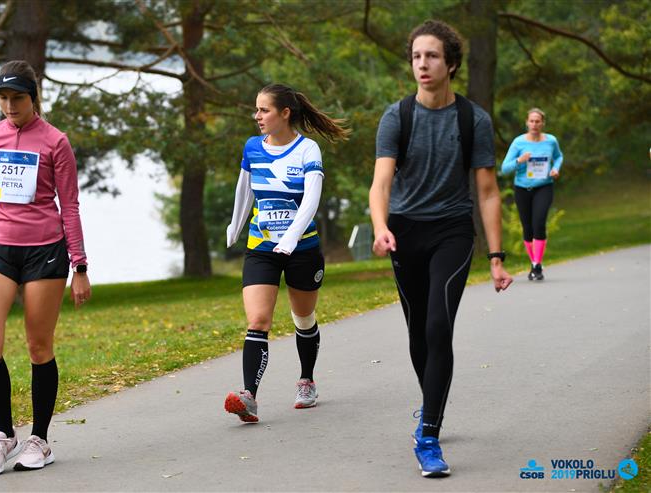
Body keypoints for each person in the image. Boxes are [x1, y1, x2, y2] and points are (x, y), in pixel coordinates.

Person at [369, 20, 512, 477]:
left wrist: (496, 257)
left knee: (437, 326)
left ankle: (428, 434)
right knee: (417, 333)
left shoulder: (474, 120)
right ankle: (432, 403)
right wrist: (380, 227)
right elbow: (381, 183)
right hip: (404, 232)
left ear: (450, 63)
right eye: (416, 56)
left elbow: (487, 192)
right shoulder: (397, 117)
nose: (422, 64)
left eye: (431, 56)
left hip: (452, 230)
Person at [0, 60, 90, 475]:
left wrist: (80, 265)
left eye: (17, 98)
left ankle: (40, 439)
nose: (9, 106)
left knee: (39, 347)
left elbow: (69, 205)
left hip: (45, 252)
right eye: (3, 98)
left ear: (33, 97)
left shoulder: (56, 141)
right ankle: (5, 435)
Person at [224, 83, 349, 422]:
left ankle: (307, 380)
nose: (257, 116)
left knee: (303, 319)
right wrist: (235, 225)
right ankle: (248, 396)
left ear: (285, 113)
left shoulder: (307, 149)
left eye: (264, 110)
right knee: (257, 320)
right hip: (261, 248)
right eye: (256, 109)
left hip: (302, 249)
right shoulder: (253, 147)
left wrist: (292, 237)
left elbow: (311, 199)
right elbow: (244, 189)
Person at [501, 108, 563, 280]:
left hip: (544, 187)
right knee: (527, 227)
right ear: (527, 123)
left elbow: (558, 157)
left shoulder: (551, 141)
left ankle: (537, 265)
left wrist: (555, 168)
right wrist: (520, 160)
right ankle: (534, 262)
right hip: (522, 189)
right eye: (532, 121)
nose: (534, 124)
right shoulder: (518, 142)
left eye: (538, 121)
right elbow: (504, 168)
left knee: (539, 223)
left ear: (543, 123)